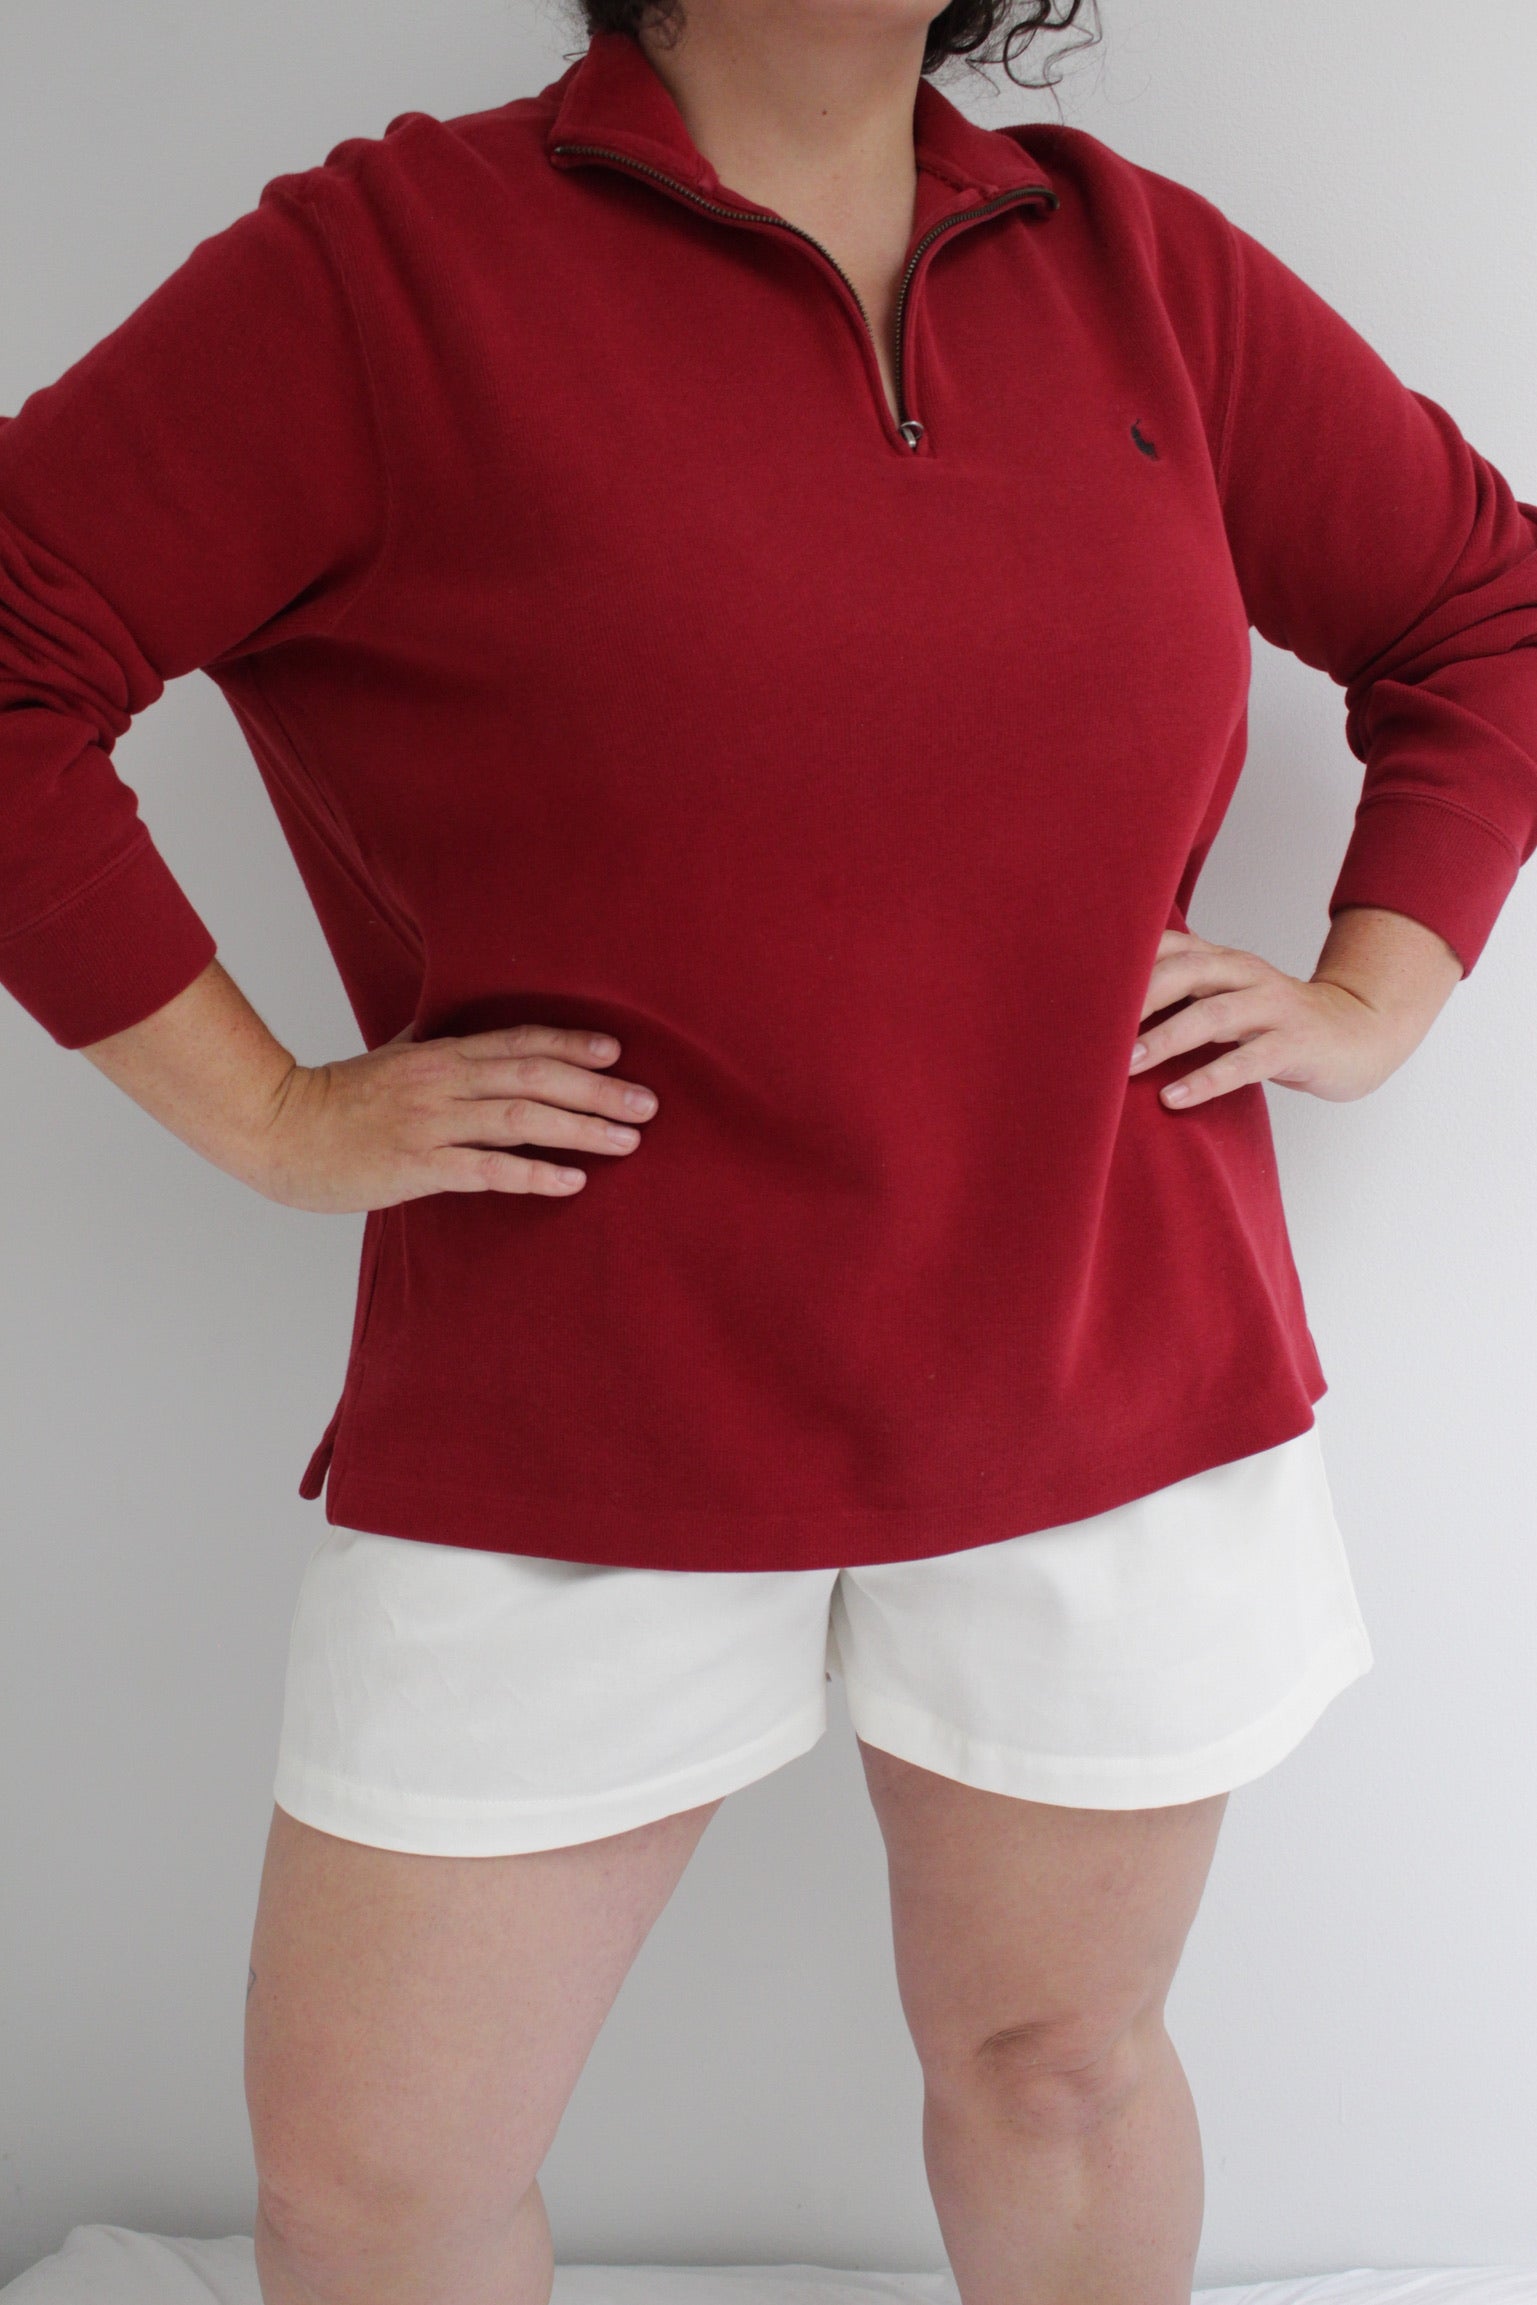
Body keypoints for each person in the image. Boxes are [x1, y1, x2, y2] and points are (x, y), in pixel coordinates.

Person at [2, 0, 1532, 2296]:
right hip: (576, 1388)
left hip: (1098, 1357)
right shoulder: (388, 271)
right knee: (376, 2181)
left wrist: (1374, 987)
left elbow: (1480, 608)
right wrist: (268, 1110)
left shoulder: (1143, 271)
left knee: (1058, 2064)